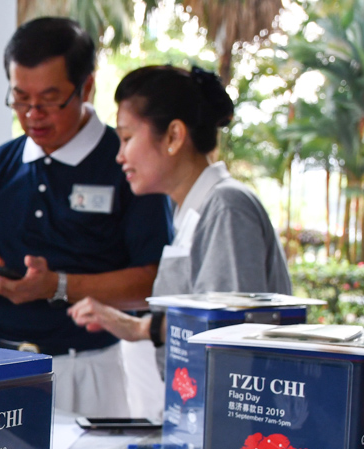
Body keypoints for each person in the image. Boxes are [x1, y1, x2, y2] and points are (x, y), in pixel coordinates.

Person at [0, 18, 172, 417]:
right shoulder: (1, 164)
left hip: (86, 369)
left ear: (86, 88)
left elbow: (153, 282)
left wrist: (58, 286)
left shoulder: (126, 164)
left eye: (49, 100)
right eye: (20, 99)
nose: (33, 114)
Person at [68, 65, 292, 356]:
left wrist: (139, 327)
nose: (119, 156)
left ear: (174, 136)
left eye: (127, 138)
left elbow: (228, 337)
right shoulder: (192, 211)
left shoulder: (225, 207)